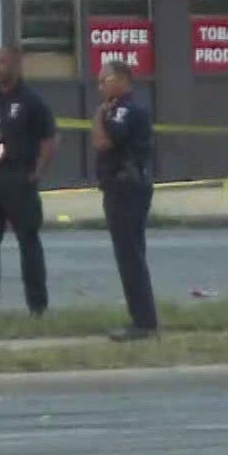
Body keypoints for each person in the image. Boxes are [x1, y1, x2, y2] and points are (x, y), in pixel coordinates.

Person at [0, 46, 58, 318]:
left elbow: (50, 140)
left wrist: (36, 173)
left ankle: (37, 305)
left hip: (18, 178)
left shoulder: (32, 100)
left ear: (17, 66)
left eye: (3, 62)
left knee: (28, 241)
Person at [90, 59, 159, 341]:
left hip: (126, 188)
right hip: (124, 188)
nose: (99, 87)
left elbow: (103, 143)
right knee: (132, 255)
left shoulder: (123, 110)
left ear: (120, 80)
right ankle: (141, 317)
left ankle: (144, 322)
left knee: (130, 256)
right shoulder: (120, 108)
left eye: (103, 80)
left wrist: (98, 116)